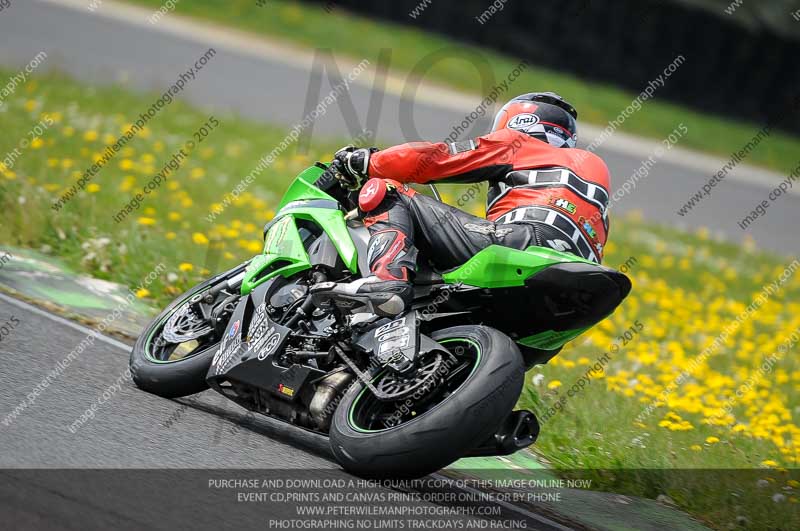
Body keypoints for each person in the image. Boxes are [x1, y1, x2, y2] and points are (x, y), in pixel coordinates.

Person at [317, 92, 611, 317]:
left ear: (519, 122)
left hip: (526, 241)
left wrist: (367, 161)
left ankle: (387, 279)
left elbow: (434, 159)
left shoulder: (520, 144)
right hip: (579, 278)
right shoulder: (595, 174)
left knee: (386, 191)